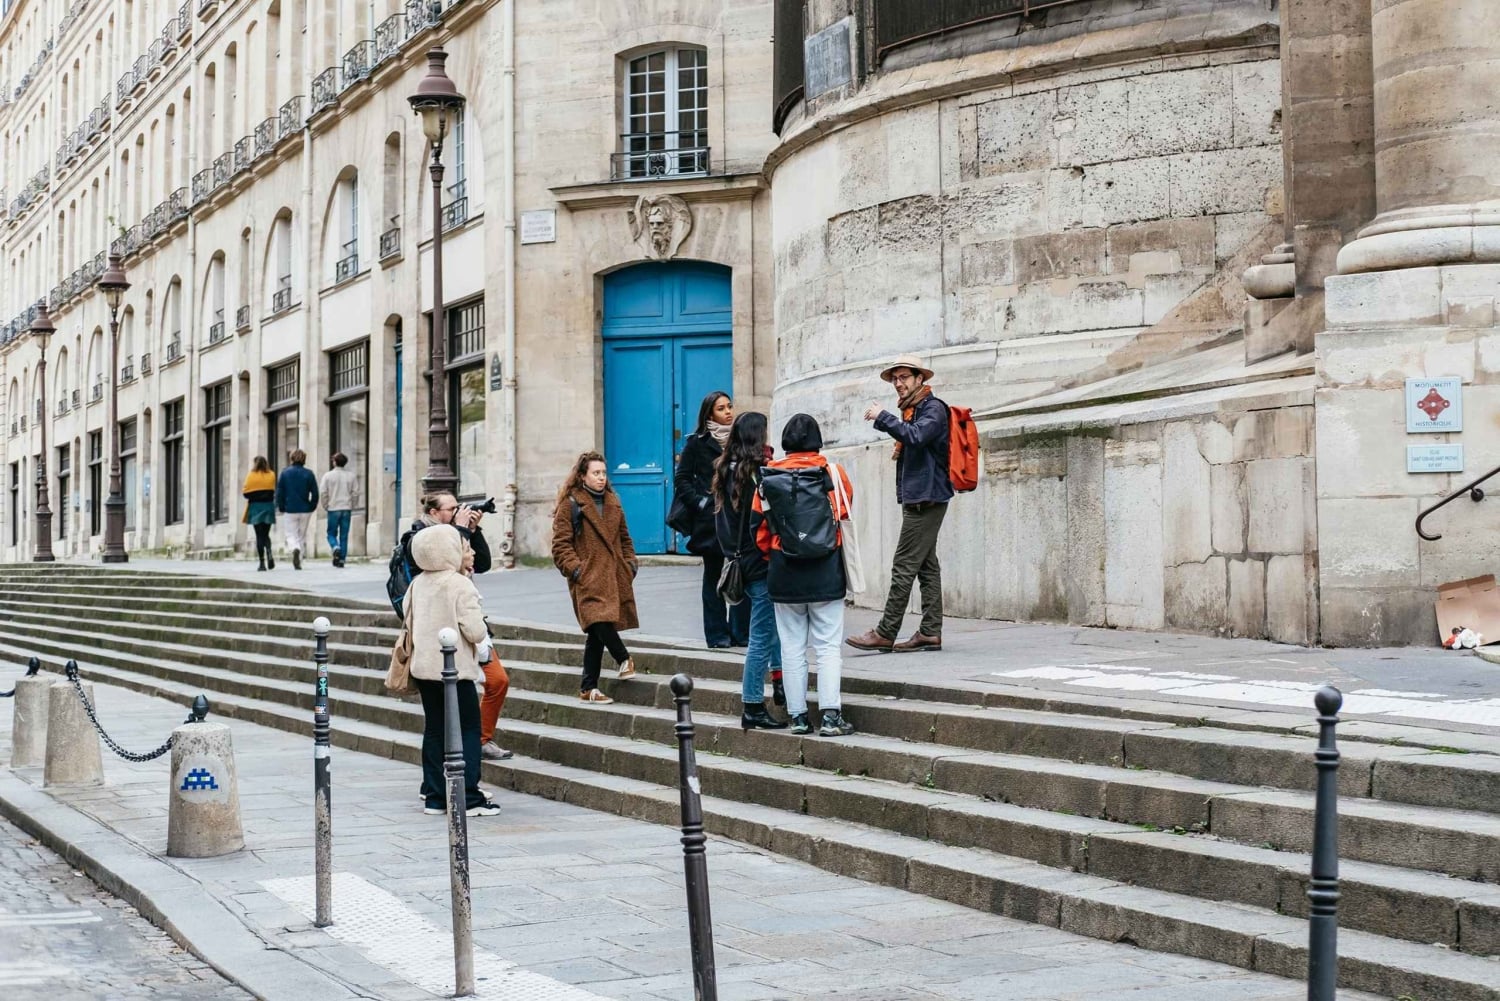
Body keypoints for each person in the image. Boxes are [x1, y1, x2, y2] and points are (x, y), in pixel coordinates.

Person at [754, 414, 855, 737]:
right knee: (827, 646)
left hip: (785, 568)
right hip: (825, 567)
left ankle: (798, 717)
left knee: (792, 646)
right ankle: (830, 716)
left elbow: (760, 529)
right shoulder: (832, 473)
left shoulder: (768, 477)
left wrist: (778, 550)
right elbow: (843, 512)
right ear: (817, 440)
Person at [847, 354, 952, 654]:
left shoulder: (933, 409)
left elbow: (917, 437)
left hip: (927, 498)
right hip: (920, 496)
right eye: (895, 378)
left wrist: (883, 417)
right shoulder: (913, 410)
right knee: (927, 567)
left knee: (903, 566)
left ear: (921, 379)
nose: (898, 383)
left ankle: (885, 631)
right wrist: (889, 421)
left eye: (904, 377)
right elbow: (909, 435)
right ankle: (930, 632)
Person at [405, 523, 500, 817]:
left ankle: (434, 795)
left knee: (434, 729)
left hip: (424, 668)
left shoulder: (417, 583)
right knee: (469, 729)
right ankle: (468, 796)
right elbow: (473, 628)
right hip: (455, 670)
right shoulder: (459, 584)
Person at [712, 412, 787, 730]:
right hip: (758, 562)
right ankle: (753, 704)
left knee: (771, 628)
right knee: (761, 636)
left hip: (738, 559)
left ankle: (781, 680)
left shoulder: (724, 470)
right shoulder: (755, 475)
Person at [551, 451, 639, 704]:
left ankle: (588, 687)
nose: (601, 478)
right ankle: (623, 657)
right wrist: (577, 570)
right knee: (599, 621)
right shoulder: (571, 503)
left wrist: (630, 565)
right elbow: (560, 545)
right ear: (582, 476)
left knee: (596, 631)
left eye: (603, 473)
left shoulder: (613, 501)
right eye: (595, 473)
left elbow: (625, 538)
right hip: (587, 576)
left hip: (613, 575)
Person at [675, 391, 750, 649]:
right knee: (713, 578)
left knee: (743, 573)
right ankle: (718, 635)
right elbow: (682, 479)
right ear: (710, 414)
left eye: (730, 406)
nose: (728, 412)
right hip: (711, 522)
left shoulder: (741, 440)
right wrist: (701, 503)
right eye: (721, 408)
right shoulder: (697, 443)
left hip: (739, 520)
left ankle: (741, 632)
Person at [461, 537, 512, 762]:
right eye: (466, 548)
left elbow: (484, 562)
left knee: (498, 681)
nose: (472, 552)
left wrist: (475, 529)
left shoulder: (467, 571)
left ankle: (481, 740)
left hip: (480, 638)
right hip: (458, 643)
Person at [274, 448, 319, 571]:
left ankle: (295, 548)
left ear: (291, 458)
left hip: (290, 508)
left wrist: (281, 505)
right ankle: (300, 559)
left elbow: (280, 492)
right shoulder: (309, 473)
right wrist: (312, 505)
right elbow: (315, 492)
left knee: (290, 533)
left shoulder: (285, 473)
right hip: (305, 508)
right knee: (301, 535)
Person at [320, 452, 358, 568]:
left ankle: (335, 547)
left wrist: (325, 505)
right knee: (344, 535)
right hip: (346, 508)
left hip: (333, 508)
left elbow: (323, 492)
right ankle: (342, 559)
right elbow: (355, 493)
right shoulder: (351, 476)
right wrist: (353, 505)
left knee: (331, 533)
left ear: (335, 462)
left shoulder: (328, 476)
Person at [241, 457, 277, 571]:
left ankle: (262, 563)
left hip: (255, 507)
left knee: (259, 535)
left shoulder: (251, 475)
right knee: (266, 534)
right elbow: (273, 490)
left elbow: (245, 493)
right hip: (268, 506)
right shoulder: (271, 474)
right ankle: (269, 552)